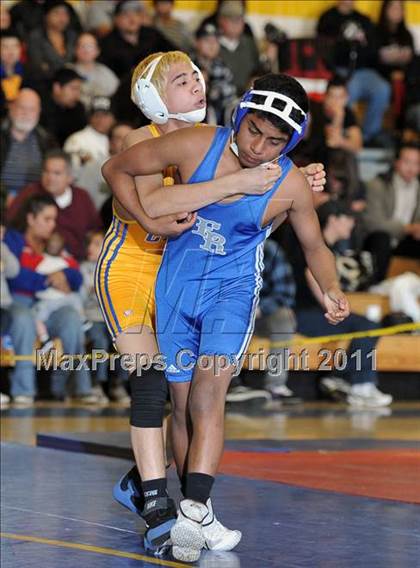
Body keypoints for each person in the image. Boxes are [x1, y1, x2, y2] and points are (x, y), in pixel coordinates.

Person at [103, 72, 349, 562]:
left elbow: (315, 246)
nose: (259, 147)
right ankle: (197, 508)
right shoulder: (197, 144)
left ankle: (194, 508)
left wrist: (332, 288)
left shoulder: (290, 182)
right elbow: (116, 169)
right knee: (180, 399)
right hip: (175, 287)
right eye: (253, 131)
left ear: (291, 143)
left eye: (275, 141)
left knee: (209, 391)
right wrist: (147, 219)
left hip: (231, 292)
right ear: (239, 116)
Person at [282, 200, 392, 408]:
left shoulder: (325, 246)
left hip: (309, 311)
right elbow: (310, 274)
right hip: (301, 314)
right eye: (349, 219)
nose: (352, 224)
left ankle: (340, 378)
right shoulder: (314, 245)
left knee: (365, 325)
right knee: (366, 326)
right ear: (333, 219)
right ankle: (360, 385)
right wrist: (330, 304)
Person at [4, 194, 96, 405]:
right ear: (30, 218)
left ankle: (72, 388)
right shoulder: (13, 239)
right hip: (20, 302)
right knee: (24, 318)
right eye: (47, 219)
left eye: (54, 219)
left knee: (72, 318)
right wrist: (48, 279)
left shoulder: (54, 244)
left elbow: (75, 274)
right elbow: (14, 277)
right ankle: (23, 390)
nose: (52, 225)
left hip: (50, 306)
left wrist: (63, 276)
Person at [226, 238, 301, 404]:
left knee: (284, 319)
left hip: (263, 313)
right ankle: (229, 382)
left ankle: (276, 385)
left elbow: (285, 293)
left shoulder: (271, 250)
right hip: (231, 310)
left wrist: (259, 308)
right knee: (226, 321)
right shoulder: (227, 245)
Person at [317, 0, 391, 146]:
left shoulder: (364, 20)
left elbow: (373, 50)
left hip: (364, 70)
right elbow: (321, 49)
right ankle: (344, 132)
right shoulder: (327, 18)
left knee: (383, 89)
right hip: (339, 69)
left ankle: (368, 135)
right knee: (346, 91)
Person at [7, 150, 102, 260]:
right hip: (36, 258)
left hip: (80, 261)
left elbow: (95, 231)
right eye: (46, 172)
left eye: (57, 173)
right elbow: (10, 224)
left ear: (70, 177)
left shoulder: (82, 197)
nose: (50, 178)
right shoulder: (30, 193)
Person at [81, 230, 129, 404]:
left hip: (112, 318)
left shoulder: (115, 267)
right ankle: (97, 384)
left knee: (123, 341)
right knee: (99, 342)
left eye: (96, 244)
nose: (91, 248)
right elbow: (86, 293)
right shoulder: (83, 268)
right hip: (92, 318)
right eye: (89, 244)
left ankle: (118, 383)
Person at [363, 142, 420, 282]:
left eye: (416, 163)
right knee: (382, 238)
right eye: (407, 162)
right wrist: (408, 228)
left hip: (405, 241)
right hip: (379, 238)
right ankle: (374, 286)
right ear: (396, 162)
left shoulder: (418, 187)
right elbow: (373, 223)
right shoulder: (378, 184)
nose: (411, 168)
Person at [1, 88, 57, 202]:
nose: (26, 113)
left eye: (32, 109)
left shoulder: (48, 141)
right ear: (11, 107)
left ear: (39, 112)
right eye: (22, 107)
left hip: (37, 205)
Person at [99, 0, 174, 78]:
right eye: (126, 15)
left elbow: (175, 53)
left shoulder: (152, 34)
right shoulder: (107, 43)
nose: (132, 19)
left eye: (136, 14)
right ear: (116, 19)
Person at [64, 96, 115, 208]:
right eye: (97, 115)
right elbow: (70, 174)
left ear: (112, 118)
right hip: (83, 197)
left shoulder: (116, 140)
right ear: (89, 118)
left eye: (105, 115)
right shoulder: (77, 140)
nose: (101, 120)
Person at [26, 0, 79, 85]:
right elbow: (38, 66)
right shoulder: (35, 37)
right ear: (46, 16)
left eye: (65, 14)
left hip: (72, 82)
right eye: (56, 13)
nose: (62, 18)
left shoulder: (72, 36)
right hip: (44, 83)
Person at [194, 22, 236, 126]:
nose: (212, 45)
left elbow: (229, 96)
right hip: (194, 117)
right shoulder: (188, 64)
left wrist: (211, 89)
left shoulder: (222, 66)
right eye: (207, 41)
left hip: (219, 117)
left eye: (215, 41)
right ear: (197, 43)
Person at [70, 32, 120, 111]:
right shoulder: (68, 71)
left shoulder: (105, 71)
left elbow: (116, 92)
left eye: (90, 46)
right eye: (82, 46)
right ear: (75, 49)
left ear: (97, 51)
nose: (86, 50)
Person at [40, 67, 87, 147]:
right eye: (73, 88)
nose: (77, 94)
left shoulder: (78, 108)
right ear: (57, 88)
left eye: (79, 89)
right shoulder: (41, 107)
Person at [376, 0, 414, 82]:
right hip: (382, 79)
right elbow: (372, 61)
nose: (397, 11)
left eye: (400, 8)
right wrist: (391, 73)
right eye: (394, 8)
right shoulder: (376, 33)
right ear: (385, 10)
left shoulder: (407, 35)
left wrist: (404, 74)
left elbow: (412, 61)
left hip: (406, 79)